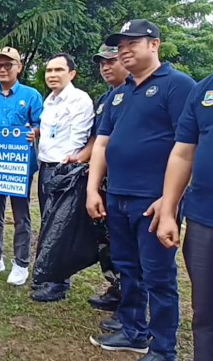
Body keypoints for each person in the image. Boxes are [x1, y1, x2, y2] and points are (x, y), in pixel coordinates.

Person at [87, 20, 196, 361]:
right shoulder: (119, 94)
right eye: (121, 45)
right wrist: (93, 189)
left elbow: (189, 147)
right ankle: (133, 331)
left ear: (155, 44)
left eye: (132, 42)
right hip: (118, 196)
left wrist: (170, 200)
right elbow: (101, 143)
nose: (124, 50)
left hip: (154, 201)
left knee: (158, 276)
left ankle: (163, 348)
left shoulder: (178, 85)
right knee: (127, 268)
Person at [156, 0, 213, 361]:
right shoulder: (206, 89)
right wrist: (169, 210)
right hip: (204, 224)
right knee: (208, 320)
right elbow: (183, 153)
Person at [0, 47, 43, 286]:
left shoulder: (31, 95)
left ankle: (21, 263)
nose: (2, 69)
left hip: (18, 165)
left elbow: (40, 124)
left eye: (8, 65)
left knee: (21, 215)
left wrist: (34, 133)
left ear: (19, 67)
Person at [68, 45, 128, 320]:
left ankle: (132, 302)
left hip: (130, 182)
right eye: (101, 63)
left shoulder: (137, 93)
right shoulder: (106, 99)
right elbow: (97, 139)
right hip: (104, 181)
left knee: (130, 246)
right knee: (107, 238)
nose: (105, 67)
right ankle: (116, 287)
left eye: (111, 61)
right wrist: (81, 157)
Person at [31, 53, 94, 302]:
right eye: (49, 70)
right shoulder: (49, 101)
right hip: (46, 167)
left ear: (72, 74)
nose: (52, 75)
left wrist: (69, 167)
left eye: (58, 70)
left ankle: (59, 283)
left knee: (62, 227)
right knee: (48, 222)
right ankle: (48, 274)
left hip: (66, 171)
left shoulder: (79, 100)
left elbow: (79, 139)